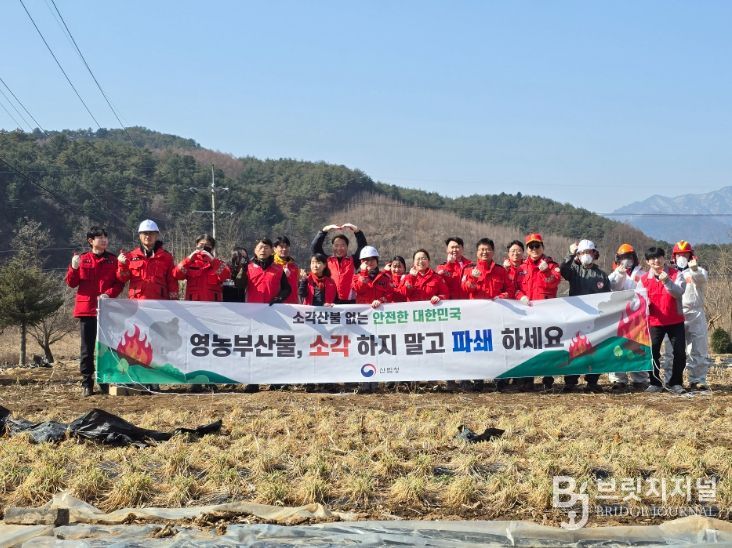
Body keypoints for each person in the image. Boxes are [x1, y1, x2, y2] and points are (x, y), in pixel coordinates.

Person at [65, 227, 124, 397]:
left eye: (105, 237)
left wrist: (108, 294)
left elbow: (119, 283)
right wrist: (74, 267)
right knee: (87, 349)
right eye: (100, 237)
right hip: (87, 310)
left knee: (108, 348)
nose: (104, 240)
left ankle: (106, 380)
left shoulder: (113, 260)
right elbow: (71, 283)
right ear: (91, 241)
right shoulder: (82, 259)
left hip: (107, 309)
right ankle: (87, 382)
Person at [559, 239, 611, 393]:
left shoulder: (602, 275)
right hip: (576, 318)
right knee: (574, 349)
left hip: (595, 320)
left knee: (595, 349)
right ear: (578, 255)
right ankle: (570, 381)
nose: (586, 255)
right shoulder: (574, 272)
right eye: (582, 252)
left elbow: (608, 298)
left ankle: (592, 381)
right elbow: (562, 269)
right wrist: (570, 254)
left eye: (588, 252)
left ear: (594, 253)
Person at [515, 233, 562, 391]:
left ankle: (547, 380)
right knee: (527, 346)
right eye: (531, 246)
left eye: (537, 246)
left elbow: (554, 282)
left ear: (542, 247)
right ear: (527, 249)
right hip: (526, 314)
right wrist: (520, 297)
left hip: (546, 314)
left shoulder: (551, 265)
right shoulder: (521, 268)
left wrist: (546, 271)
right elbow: (515, 289)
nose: (534, 249)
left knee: (546, 347)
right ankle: (528, 379)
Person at [637, 247, 686, 394]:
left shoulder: (676, 274)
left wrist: (667, 281)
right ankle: (655, 383)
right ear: (647, 262)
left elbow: (679, 293)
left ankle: (676, 382)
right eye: (652, 259)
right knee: (652, 353)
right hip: (654, 322)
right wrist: (645, 303)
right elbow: (638, 299)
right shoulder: (644, 279)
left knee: (679, 353)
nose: (656, 261)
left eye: (659, 257)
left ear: (664, 258)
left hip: (675, 320)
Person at [661, 241, 710, 390]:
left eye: (685, 254)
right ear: (674, 257)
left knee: (698, 347)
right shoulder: (670, 273)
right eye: (679, 255)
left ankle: (697, 379)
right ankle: (671, 379)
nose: (682, 257)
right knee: (671, 349)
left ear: (691, 256)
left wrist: (694, 269)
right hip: (675, 313)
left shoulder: (698, 271)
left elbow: (702, 279)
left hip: (695, 312)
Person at [607, 243, 648, 390]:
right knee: (617, 347)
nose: (626, 260)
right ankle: (618, 379)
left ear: (634, 257)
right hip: (618, 317)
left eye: (629, 257)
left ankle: (640, 379)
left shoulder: (642, 274)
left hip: (637, 317)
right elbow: (612, 288)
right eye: (623, 257)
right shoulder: (613, 275)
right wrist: (620, 274)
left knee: (637, 347)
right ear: (618, 259)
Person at [117, 219, 178, 301]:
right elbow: (123, 278)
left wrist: (174, 300)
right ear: (140, 235)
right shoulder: (131, 256)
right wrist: (122, 265)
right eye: (145, 233)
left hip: (161, 302)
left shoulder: (166, 257)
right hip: (136, 303)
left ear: (156, 236)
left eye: (151, 233)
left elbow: (172, 280)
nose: (148, 236)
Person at [310, 223, 367, 304]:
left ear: (347, 247)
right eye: (336, 245)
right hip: (330, 302)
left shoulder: (353, 260)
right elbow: (315, 248)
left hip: (350, 302)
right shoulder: (327, 260)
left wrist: (357, 231)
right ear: (332, 247)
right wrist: (324, 231)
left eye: (343, 245)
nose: (339, 248)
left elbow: (363, 247)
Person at [173, 234, 231, 302]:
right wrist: (188, 260)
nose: (203, 247)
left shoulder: (218, 264)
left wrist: (213, 261)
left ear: (212, 248)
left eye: (207, 245)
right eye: (201, 245)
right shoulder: (190, 263)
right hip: (193, 303)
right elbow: (177, 275)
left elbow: (226, 276)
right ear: (196, 245)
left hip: (213, 304)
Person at [242, 238, 292, 304]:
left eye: (266, 248)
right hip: (252, 307)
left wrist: (279, 298)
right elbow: (240, 285)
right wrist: (241, 271)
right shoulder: (248, 267)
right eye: (260, 247)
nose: (263, 250)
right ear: (255, 250)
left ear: (271, 251)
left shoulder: (279, 269)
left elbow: (287, 288)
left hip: (272, 308)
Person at [273, 235, 300, 304]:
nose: (284, 249)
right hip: (276, 304)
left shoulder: (294, 266)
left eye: (287, 247)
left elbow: (297, 286)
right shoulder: (271, 265)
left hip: (293, 304)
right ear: (274, 249)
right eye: (281, 247)